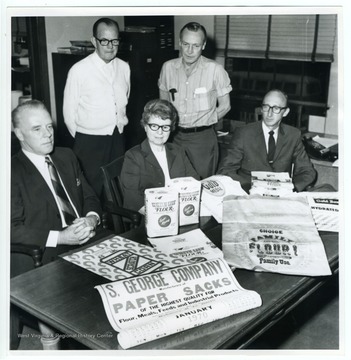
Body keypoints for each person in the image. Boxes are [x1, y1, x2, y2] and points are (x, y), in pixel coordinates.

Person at [11, 100, 104, 264]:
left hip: (88, 238)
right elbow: (11, 229)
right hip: (45, 253)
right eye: (37, 129)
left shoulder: (67, 156)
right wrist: (60, 237)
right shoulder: (11, 172)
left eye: (49, 126)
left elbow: (90, 196)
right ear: (19, 134)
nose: (47, 134)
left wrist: (91, 219)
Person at [63, 17, 130, 199]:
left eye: (115, 40)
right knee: (90, 191)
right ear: (94, 41)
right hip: (88, 142)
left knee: (116, 189)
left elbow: (123, 101)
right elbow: (68, 113)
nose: (110, 46)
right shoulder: (79, 70)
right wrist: (84, 137)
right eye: (104, 41)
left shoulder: (124, 68)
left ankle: (114, 226)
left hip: (117, 137)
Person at [158, 22, 232, 179]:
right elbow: (163, 104)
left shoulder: (215, 70)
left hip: (202, 140)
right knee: (172, 182)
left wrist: (206, 120)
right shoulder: (168, 68)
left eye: (196, 46)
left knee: (201, 185)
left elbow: (225, 106)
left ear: (203, 45)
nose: (190, 51)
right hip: (173, 136)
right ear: (179, 42)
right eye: (186, 44)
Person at [218, 89, 317, 193]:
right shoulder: (244, 133)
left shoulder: (293, 135)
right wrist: (250, 189)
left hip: (282, 195)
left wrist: (291, 189)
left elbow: (307, 171)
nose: (269, 114)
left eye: (276, 108)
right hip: (249, 193)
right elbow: (225, 169)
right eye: (266, 107)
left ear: (285, 112)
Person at [120, 99, 200, 212]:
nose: (160, 132)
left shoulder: (178, 151)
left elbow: (194, 181)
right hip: (150, 215)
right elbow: (133, 200)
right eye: (154, 126)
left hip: (182, 210)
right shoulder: (133, 157)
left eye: (165, 127)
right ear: (145, 126)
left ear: (171, 129)